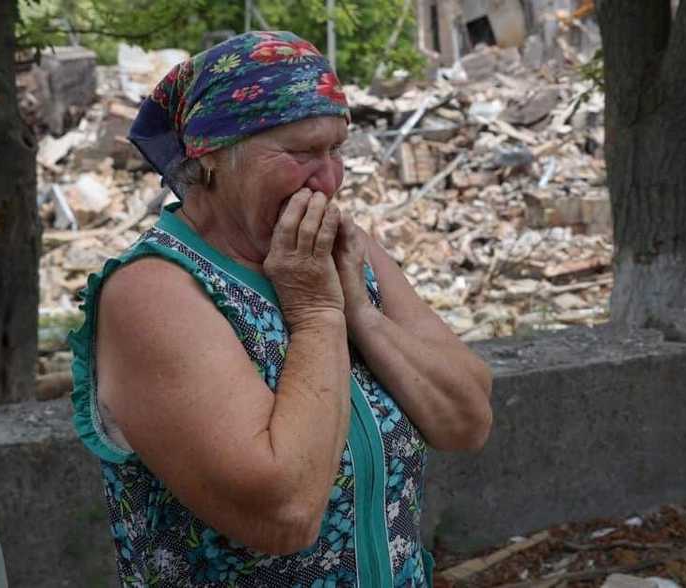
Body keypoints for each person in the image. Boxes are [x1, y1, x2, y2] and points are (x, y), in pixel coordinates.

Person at [68, 31, 493, 587]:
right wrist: (318, 314)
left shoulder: (347, 255)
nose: (330, 180)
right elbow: (283, 513)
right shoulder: (153, 292)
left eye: (336, 150)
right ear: (212, 156)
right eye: (300, 153)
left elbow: (468, 421)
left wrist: (361, 317)